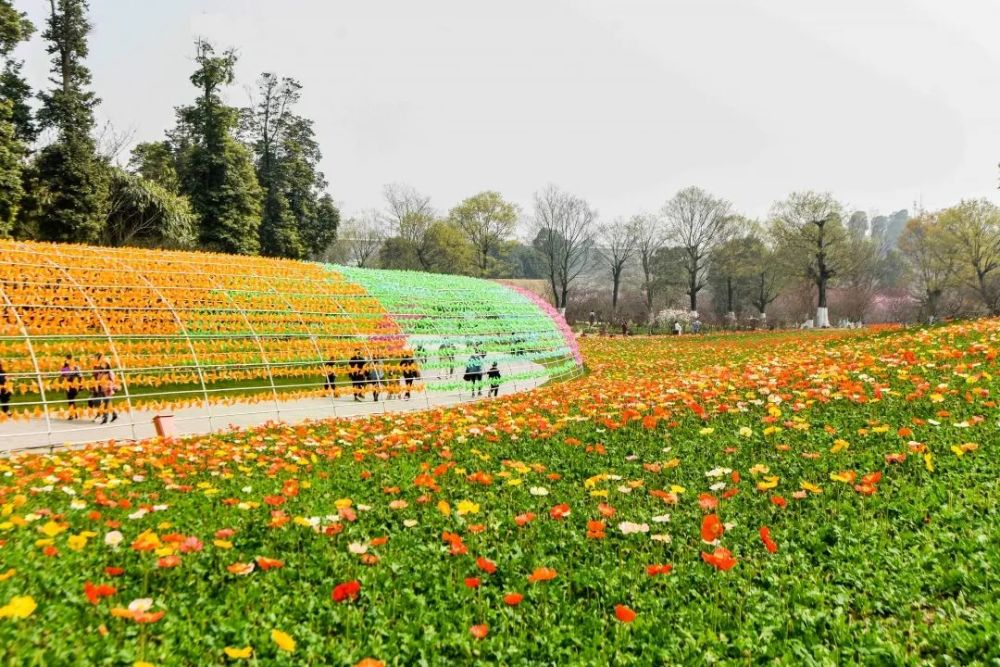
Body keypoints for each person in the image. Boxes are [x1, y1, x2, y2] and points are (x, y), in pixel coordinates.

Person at [92, 353, 118, 424]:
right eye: (102, 364)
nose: (102, 365)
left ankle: (105, 418)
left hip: (108, 390)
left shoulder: (110, 372)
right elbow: (98, 379)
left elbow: (112, 381)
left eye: (104, 364)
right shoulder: (102, 372)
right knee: (108, 404)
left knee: (105, 404)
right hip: (103, 389)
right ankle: (114, 414)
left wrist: (108, 385)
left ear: (107, 364)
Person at [61, 354, 83, 419]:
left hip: (74, 385)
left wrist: (80, 385)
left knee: (71, 400)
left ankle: (72, 414)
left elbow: (80, 376)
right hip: (69, 385)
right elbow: (63, 375)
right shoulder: (65, 367)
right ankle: (74, 414)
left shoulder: (75, 367)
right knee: (71, 400)